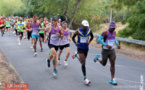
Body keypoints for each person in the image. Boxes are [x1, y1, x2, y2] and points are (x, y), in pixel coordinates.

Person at [72, 20, 94, 85]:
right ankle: (85, 78)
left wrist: (89, 42)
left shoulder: (89, 30)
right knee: (83, 63)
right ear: (82, 25)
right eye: (85, 26)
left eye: (87, 26)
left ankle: (76, 56)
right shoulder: (78, 31)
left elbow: (92, 37)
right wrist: (75, 43)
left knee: (82, 62)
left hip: (86, 48)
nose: (86, 27)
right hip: (80, 48)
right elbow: (73, 37)